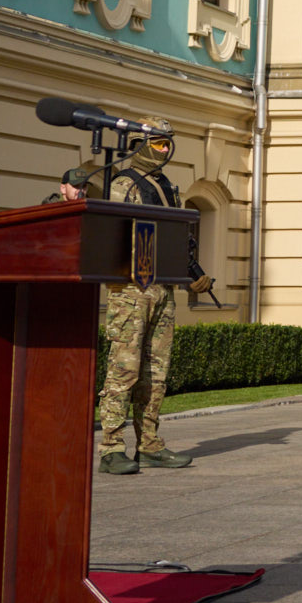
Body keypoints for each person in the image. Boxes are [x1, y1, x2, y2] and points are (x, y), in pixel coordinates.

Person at [88, 122, 194, 476]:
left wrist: (191, 272)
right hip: (132, 289)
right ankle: (111, 448)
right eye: (159, 144)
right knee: (124, 370)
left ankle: (149, 445)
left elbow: (174, 232)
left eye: (168, 145)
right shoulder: (123, 183)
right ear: (141, 144)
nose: (165, 151)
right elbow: (116, 236)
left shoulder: (165, 186)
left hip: (162, 285)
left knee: (156, 373)